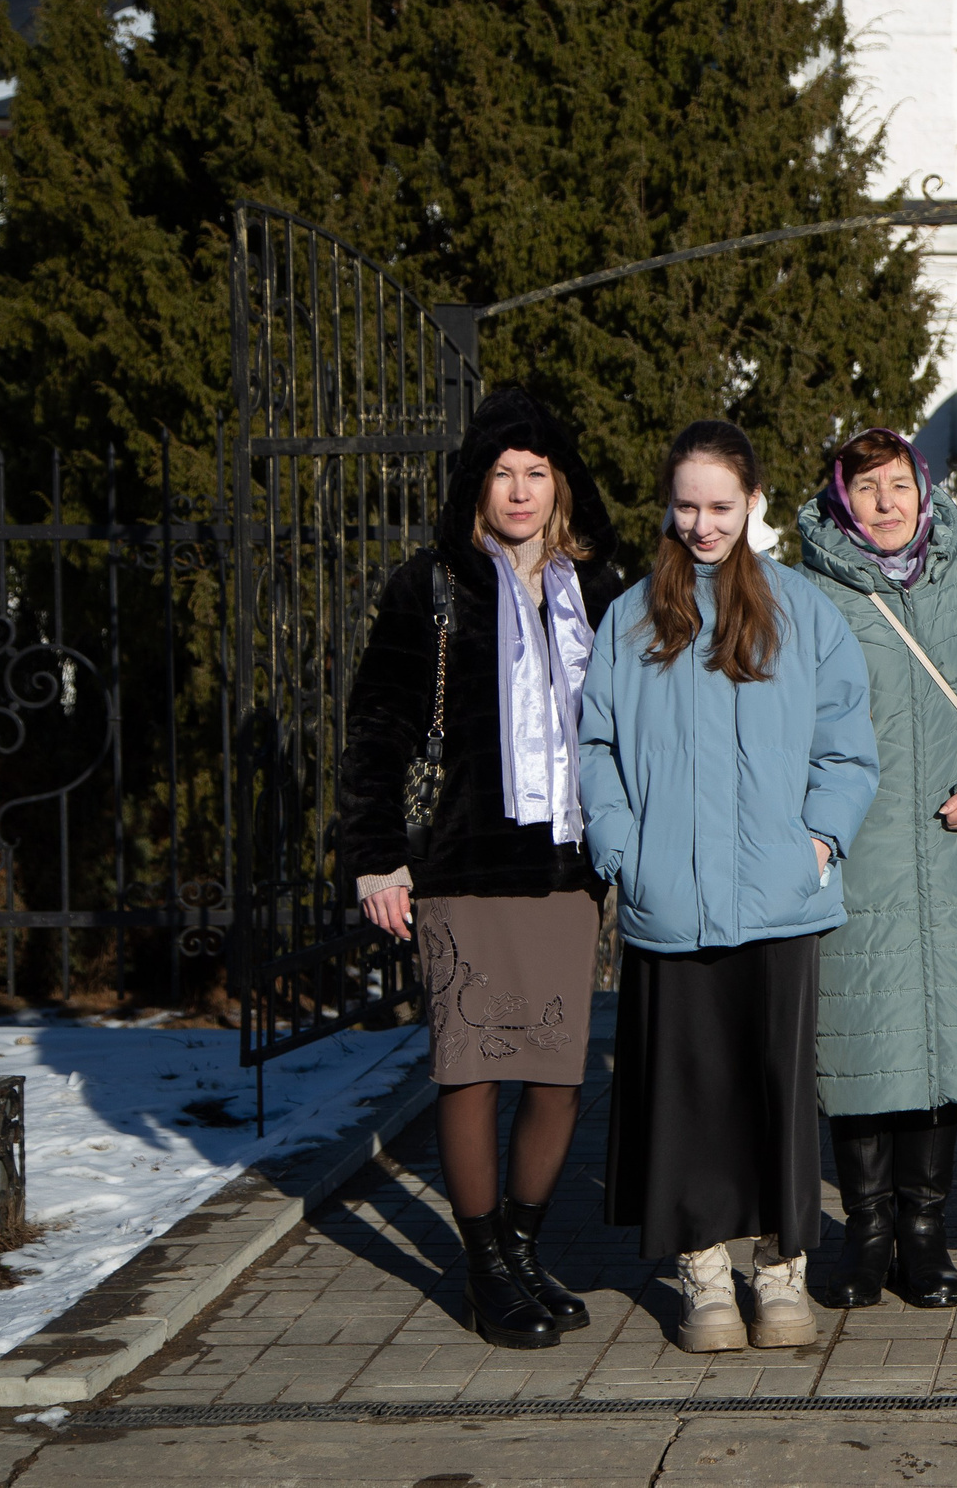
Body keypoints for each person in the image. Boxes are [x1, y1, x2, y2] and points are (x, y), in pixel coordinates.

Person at [580, 419, 879, 1354]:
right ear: (667, 509)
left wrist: (820, 841)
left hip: (780, 900)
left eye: (720, 507)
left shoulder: (802, 613)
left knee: (775, 1091)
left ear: (753, 505)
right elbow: (597, 750)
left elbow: (846, 743)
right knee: (689, 1095)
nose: (703, 526)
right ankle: (705, 1276)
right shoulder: (632, 619)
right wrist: (625, 854)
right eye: (686, 507)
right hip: (671, 903)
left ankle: (781, 1271)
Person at [341, 389, 624, 1350]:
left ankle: (519, 1247)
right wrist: (376, 855)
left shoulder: (601, 585)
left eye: (535, 473)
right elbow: (377, 724)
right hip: (462, 862)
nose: (519, 490)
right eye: (502, 472)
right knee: (471, 1070)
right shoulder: (433, 582)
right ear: (476, 482)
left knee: (557, 1075)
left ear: (560, 485)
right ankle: (479, 1269)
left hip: (568, 869)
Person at [796, 428, 957, 1309]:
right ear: (840, 496)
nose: (886, 502)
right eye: (866, 487)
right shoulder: (806, 592)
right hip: (851, 852)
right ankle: (866, 1234)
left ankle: (925, 1233)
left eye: (898, 484)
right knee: (864, 1043)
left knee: (943, 1044)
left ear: (923, 488)